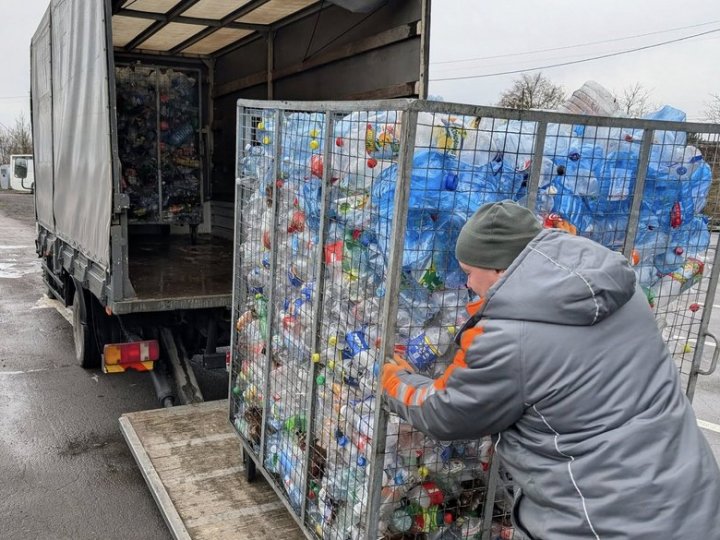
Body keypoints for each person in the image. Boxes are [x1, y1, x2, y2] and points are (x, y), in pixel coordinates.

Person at [381, 200, 720, 539]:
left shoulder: (508, 337)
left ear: (499, 269)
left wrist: (396, 382)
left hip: (605, 519)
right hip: (690, 490)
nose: (468, 284)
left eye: (469, 272)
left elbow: (448, 411)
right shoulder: (619, 288)